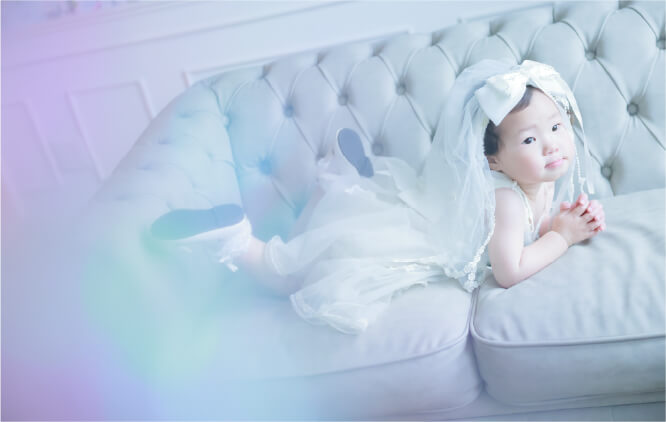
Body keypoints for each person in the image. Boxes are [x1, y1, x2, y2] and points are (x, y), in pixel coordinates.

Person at [150, 59, 605, 334]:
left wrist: (559, 221)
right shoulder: (505, 199)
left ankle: (337, 180)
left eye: (555, 126)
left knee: (331, 226)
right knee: (295, 273)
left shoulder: (538, 180)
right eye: (529, 139)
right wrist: (563, 237)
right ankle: (238, 240)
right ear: (493, 161)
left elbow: (524, 232)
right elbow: (509, 270)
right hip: (405, 239)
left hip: (417, 214)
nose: (551, 145)